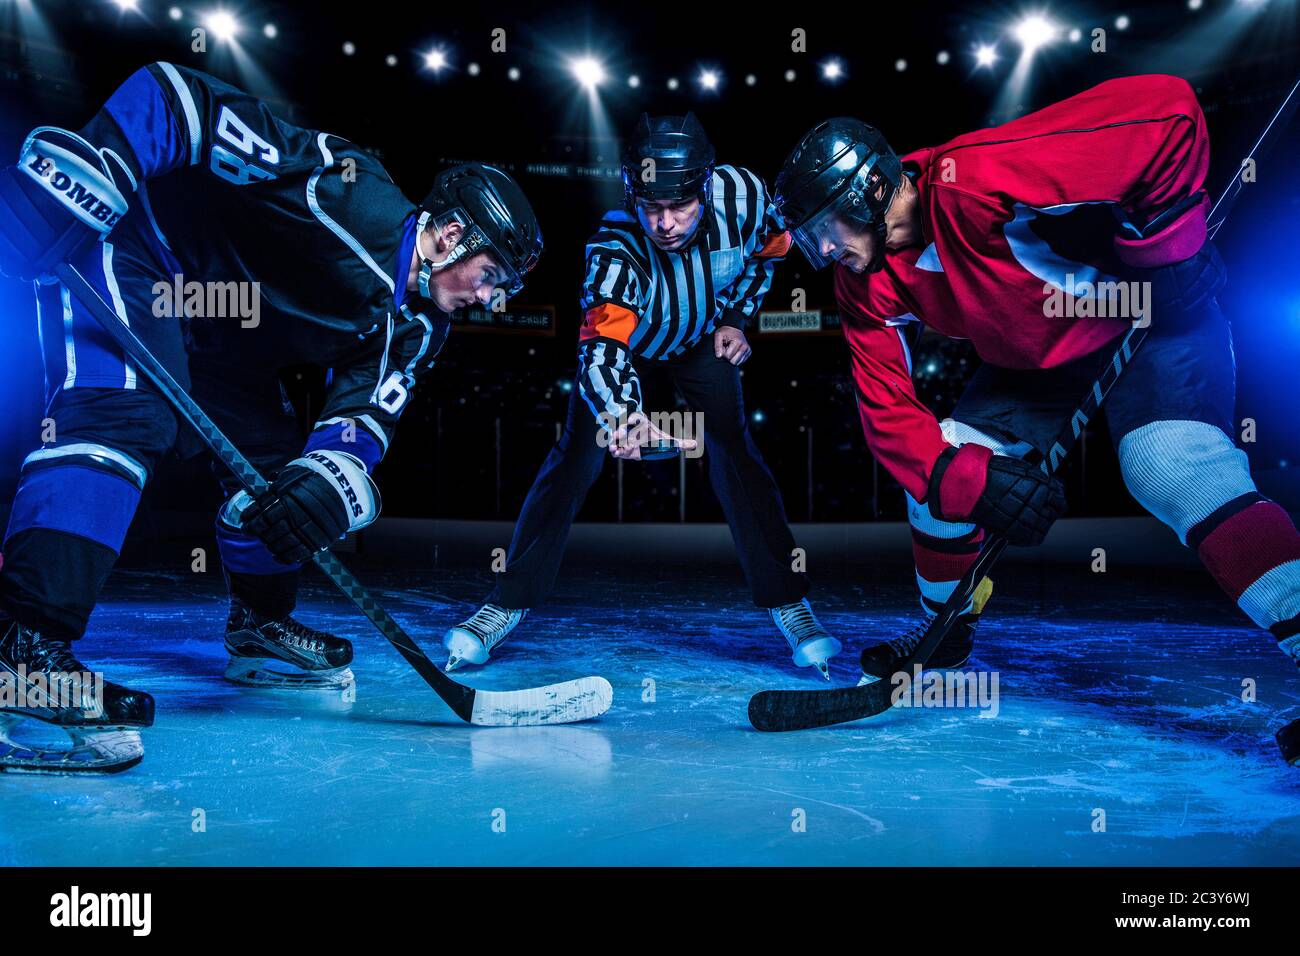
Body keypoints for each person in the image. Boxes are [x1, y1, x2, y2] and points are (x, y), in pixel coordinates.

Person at [0, 61, 542, 772]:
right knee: (128, 413)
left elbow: (363, 417)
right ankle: (22, 653)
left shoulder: (420, 326)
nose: (490, 297)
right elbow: (179, 98)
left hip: (222, 341)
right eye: (491, 275)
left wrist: (333, 476)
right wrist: (100, 163)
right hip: (140, 253)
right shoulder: (347, 194)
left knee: (283, 481)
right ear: (450, 233)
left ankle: (258, 625)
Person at [773, 75, 1300, 681]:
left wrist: (1166, 245)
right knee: (943, 468)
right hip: (1034, 364)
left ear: (867, 190)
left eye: (823, 230)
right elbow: (886, 407)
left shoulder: (973, 178)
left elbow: (1169, 110)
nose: (822, 252)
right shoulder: (863, 284)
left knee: (1170, 465)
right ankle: (945, 632)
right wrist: (962, 479)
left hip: (1153, 317)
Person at [442, 113, 842, 678]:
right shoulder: (613, 248)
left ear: (706, 188)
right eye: (652, 207)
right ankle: (506, 603)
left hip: (701, 342)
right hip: (634, 347)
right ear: (633, 194)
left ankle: (788, 600)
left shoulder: (746, 197)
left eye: (680, 206)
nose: (666, 223)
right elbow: (603, 346)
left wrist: (735, 318)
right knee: (574, 460)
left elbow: (769, 251)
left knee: (734, 452)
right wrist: (622, 415)